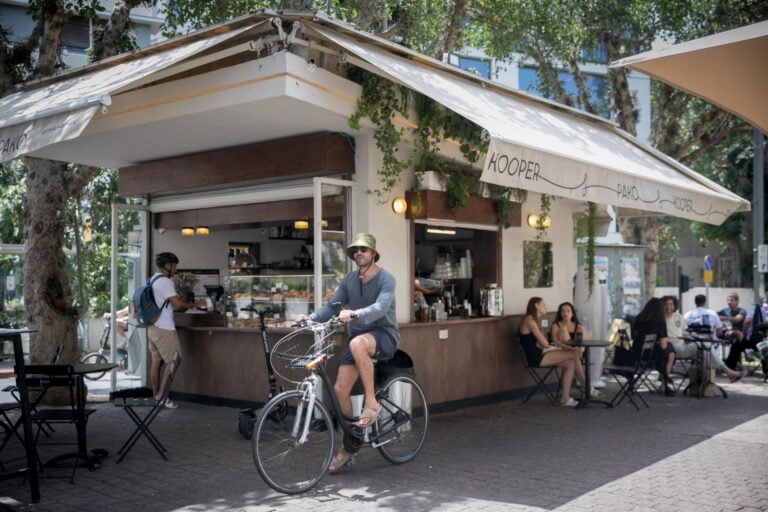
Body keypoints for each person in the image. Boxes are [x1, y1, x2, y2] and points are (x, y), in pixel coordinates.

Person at [300, 233, 398, 472]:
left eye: (363, 249)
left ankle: (371, 403)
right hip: (358, 339)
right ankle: (351, 444)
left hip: (384, 335)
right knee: (339, 391)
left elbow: (380, 308)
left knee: (356, 344)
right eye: (356, 250)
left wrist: (354, 314)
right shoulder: (349, 280)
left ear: (373, 253)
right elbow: (332, 306)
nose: (359, 254)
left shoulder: (386, 279)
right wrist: (310, 318)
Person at [148, 252, 205, 408]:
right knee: (175, 359)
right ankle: (162, 396)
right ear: (167, 265)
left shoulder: (152, 279)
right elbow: (178, 304)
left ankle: (156, 396)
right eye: (174, 265)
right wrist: (197, 303)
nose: (176, 269)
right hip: (164, 329)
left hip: (153, 327)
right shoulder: (166, 282)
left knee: (156, 362)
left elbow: (169, 303)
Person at [519, 297, 592, 407]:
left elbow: (542, 342)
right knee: (573, 353)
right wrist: (542, 343)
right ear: (536, 306)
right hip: (536, 357)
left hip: (541, 353)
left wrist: (541, 343)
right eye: (543, 304)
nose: (546, 307)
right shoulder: (530, 321)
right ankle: (586, 385)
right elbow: (545, 343)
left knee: (570, 363)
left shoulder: (533, 320)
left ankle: (565, 398)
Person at [663, 295, 743, 382]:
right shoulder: (660, 319)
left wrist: (691, 337)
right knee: (706, 346)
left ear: (674, 305)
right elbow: (719, 331)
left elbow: (684, 332)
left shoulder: (681, 316)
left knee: (705, 351)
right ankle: (728, 373)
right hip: (673, 348)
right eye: (666, 304)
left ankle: (705, 384)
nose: (668, 307)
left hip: (684, 345)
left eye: (671, 304)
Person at [633, 298, 675, 396]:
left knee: (667, 351)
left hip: (636, 352)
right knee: (670, 351)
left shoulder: (638, 318)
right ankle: (664, 381)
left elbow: (634, 335)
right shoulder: (659, 321)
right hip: (649, 355)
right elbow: (663, 345)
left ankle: (663, 377)